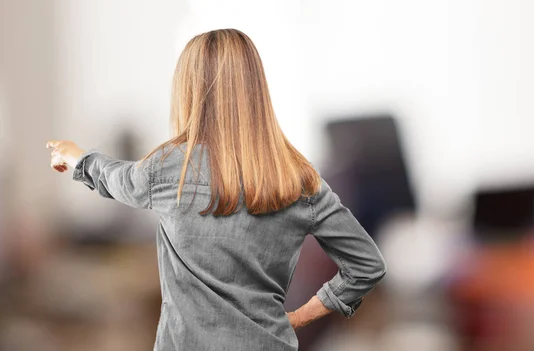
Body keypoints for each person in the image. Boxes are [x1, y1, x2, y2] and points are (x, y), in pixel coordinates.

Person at [45, 28, 386, 351]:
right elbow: (367, 264)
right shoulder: (298, 179)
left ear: (188, 90)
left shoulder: (168, 167)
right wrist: (301, 315)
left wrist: (76, 157)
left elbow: (116, 178)